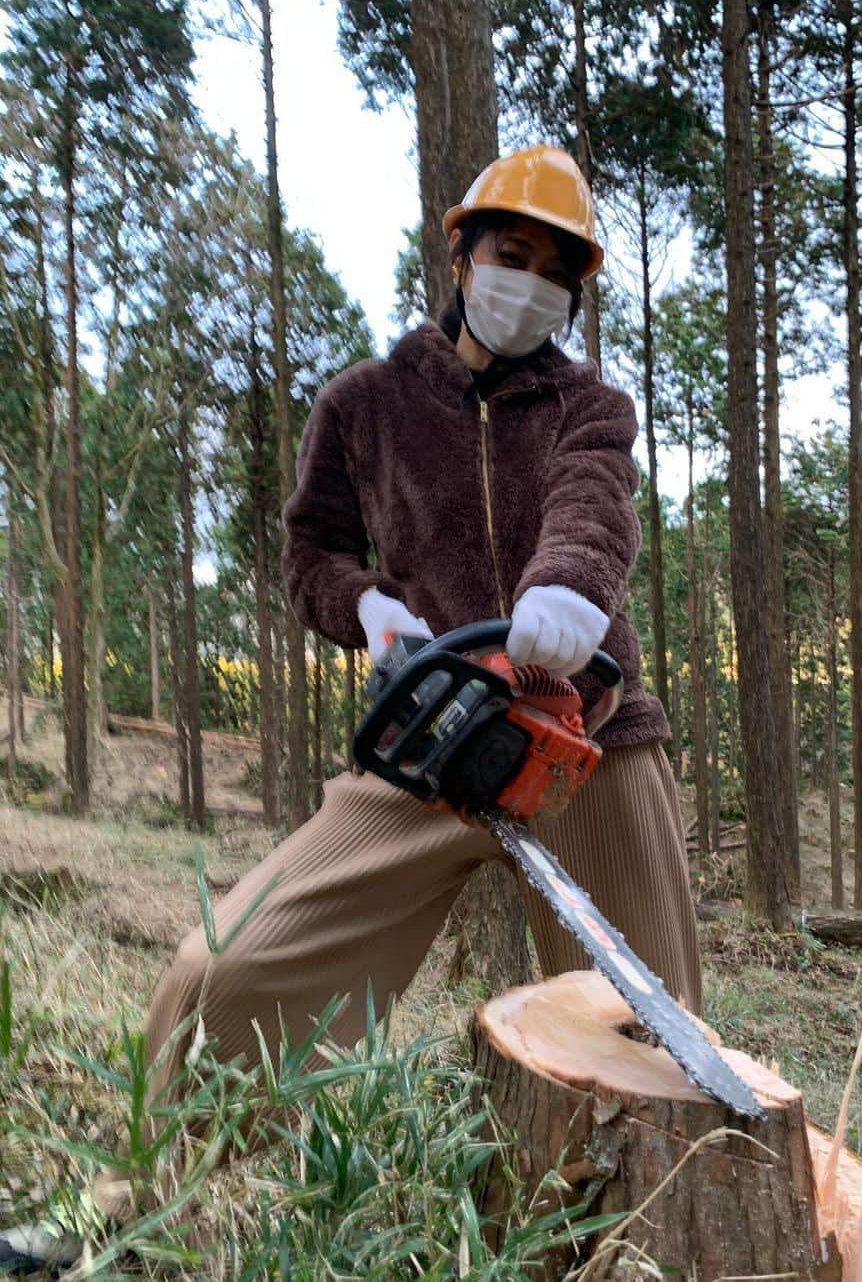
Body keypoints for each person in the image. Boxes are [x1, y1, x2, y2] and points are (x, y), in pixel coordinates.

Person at [0, 144, 701, 1274]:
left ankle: (637, 1248)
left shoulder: (592, 407)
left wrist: (566, 585)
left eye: (552, 268)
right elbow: (308, 551)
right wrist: (368, 608)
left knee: (654, 1031)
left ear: (576, 290)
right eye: (507, 253)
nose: (526, 281)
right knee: (225, 965)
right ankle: (141, 1199)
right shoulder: (366, 405)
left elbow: (594, 506)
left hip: (584, 745)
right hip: (433, 739)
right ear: (461, 253)